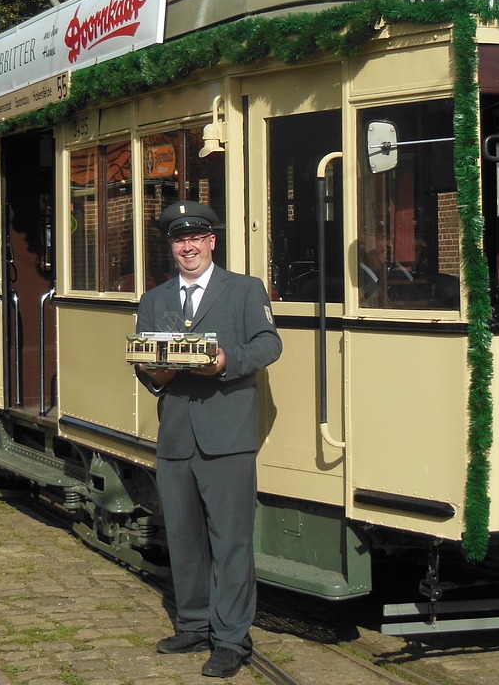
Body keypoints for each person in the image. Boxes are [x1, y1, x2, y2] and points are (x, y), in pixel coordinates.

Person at [134, 200, 282, 678]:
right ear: (172, 247)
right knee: (183, 536)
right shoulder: (155, 299)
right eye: (180, 240)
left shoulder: (243, 290)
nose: (189, 247)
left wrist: (225, 362)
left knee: (231, 540)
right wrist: (155, 374)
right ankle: (194, 623)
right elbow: (145, 362)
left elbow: (269, 343)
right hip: (176, 434)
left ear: (212, 242)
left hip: (228, 435)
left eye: (197, 238)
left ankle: (231, 639)